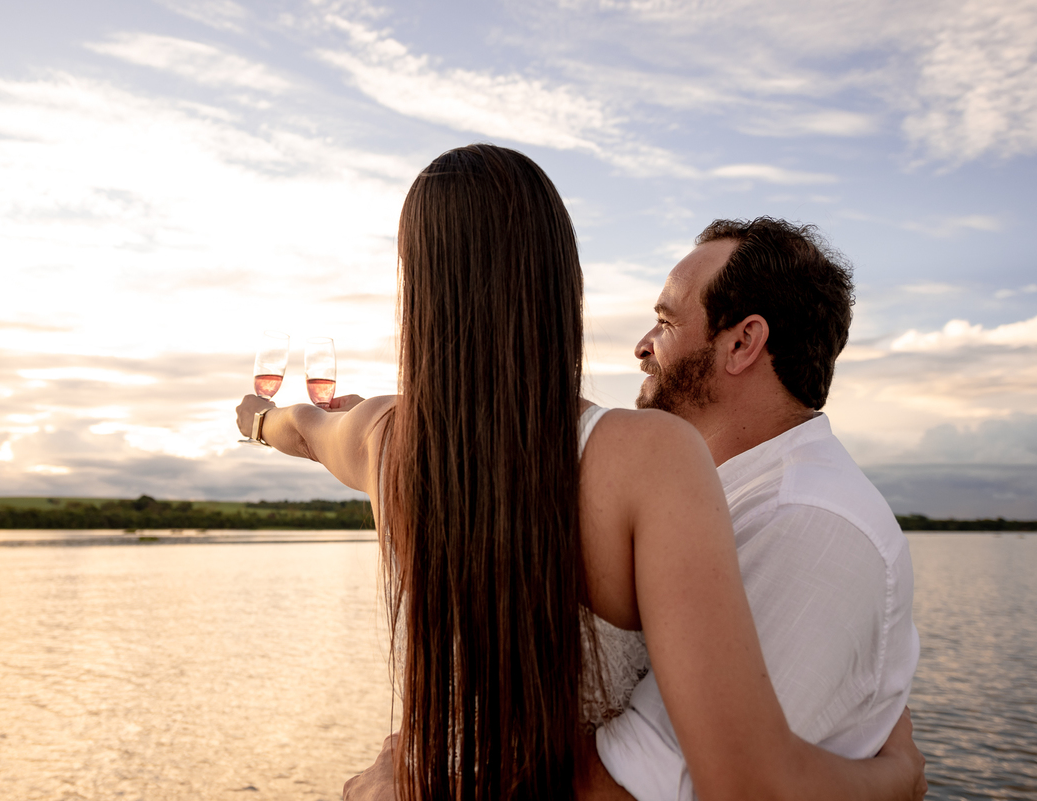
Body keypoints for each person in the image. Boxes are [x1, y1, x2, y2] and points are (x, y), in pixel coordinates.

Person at [235, 145, 926, 801]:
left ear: (416, 288)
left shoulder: (383, 438)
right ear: (559, 281)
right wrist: (898, 777)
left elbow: (302, 426)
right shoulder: (651, 461)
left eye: (664, 318)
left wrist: (258, 421)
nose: (641, 343)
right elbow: (742, 783)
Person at [591, 218, 921, 800]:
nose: (642, 346)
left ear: (742, 343)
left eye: (666, 322)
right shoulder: (721, 499)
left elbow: (642, 791)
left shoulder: (806, 521)